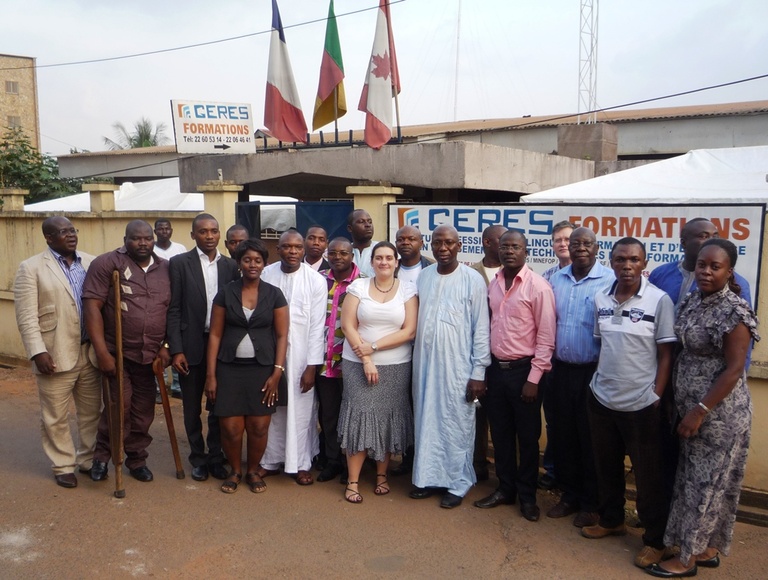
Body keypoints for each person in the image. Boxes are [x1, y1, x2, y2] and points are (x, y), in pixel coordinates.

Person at [647, 239, 759, 578]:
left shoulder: (735, 312)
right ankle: (707, 547)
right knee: (693, 481)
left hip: (718, 415)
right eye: (702, 265)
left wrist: (699, 411)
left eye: (715, 267)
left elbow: (734, 369)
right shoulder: (696, 300)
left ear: (729, 271)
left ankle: (686, 558)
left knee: (705, 485)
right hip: (689, 409)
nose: (706, 272)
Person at [581, 238, 676, 570]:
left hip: (642, 404)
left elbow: (666, 354)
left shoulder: (659, 300)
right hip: (603, 398)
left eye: (633, 259)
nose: (626, 265)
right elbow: (603, 345)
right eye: (620, 259)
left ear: (643, 263)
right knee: (606, 466)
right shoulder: (600, 298)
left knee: (650, 478)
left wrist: (656, 396)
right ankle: (611, 519)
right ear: (611, 262)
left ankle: (655, 540)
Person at [13, 217, 102, 488]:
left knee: (91, 412)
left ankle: (87, 459)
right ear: (49, 238)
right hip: (54, 353)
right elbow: (26, 316)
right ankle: (63, 464)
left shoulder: (91, 262)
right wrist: (37, 352)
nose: (70, 235)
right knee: (55, 415)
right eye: (63, 232)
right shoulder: (31, 268)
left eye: (72, 230)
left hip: (90, 353)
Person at [474, 230, 555, 522]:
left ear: (525, 251)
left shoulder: (539, 287)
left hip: (525, 372)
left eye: (516, 247)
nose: (509, 251)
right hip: (496, 370)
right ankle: (505, 489)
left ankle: (528, 497)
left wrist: (534, 379)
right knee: (501, 434)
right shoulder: (493, 284)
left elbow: (546, 339)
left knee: (528, 438)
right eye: (505, 246)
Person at [83, 220, 171, 482]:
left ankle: (136, 459)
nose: (142, 243)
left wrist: (167, 346)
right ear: (125, 240)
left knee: (143, 411)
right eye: (136, 238)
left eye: (147, 238)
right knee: (117, 408)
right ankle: (102, 457)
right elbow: (92, 307)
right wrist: (102, 353)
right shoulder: (107, 263)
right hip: (117, 353)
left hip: (150, 356)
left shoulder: (166, 268)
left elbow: (174, 311)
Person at [410, 225, 491, 509]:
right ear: (430, 247)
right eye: (437, 243)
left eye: (449, 243)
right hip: (424, 365)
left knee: (456, 423)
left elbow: (481, 329)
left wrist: (478, 373)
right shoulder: (424, 276)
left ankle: (458, 482)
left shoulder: (472, 280)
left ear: (459, 246)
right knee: (426, 420)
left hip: (458, 367)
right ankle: (427, 477)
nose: (442, 248)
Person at [204, 239, 289, 494]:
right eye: (247, 260)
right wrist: (211, 375)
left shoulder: (274, 294)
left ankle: (252, 470)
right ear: (239, 263)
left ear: (265, 264)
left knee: (259, 426)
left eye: (258, 260)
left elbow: (283, 335)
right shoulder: (226, 293)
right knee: (230, 428)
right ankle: (235, 470)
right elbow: (215, 335)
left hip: (262, 370)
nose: (252, 264)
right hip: (228, 369)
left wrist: (277, 372)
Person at [337, 242, 418, 503]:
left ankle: (382, 475)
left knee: (387, 418)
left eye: (389, 258)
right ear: (371, 262)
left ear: (397, 262)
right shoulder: (358, 286)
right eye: (379, 258)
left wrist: (372, 347)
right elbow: (348, 325)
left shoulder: (407, 289)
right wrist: (366, 359)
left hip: (396, 365)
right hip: (357, 364)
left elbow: (409, 331)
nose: (384, 262)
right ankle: (353, 481)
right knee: (359, 416)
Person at [547, 227, 614, 527]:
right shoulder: (553, 279)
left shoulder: (611, 281)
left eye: (587, 243)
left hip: (593, 372)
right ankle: (569, 495)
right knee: (563, 436)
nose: (580, 248)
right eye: (575, 244)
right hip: (559, 370)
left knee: (592, 439)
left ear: (597, 247)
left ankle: (592, 502)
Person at [166, 213, 239, 482]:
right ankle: (198, 458)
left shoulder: (230, 267)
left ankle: (216, 457)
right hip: (191, 346)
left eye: (214, 231)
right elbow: (173, 309)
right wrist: (176, 349)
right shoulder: (179, 264)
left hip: (222, 348)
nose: (209, 236)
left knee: (219, 406)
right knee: (191, 408)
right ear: (193, 235)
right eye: (203, 231)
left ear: (220, 234)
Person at [258, 230, 326, 485]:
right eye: (287, 247)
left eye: (298, 247)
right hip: (269, 351)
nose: (293, 252)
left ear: (304, 249)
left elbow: (318, 326)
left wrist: (312, 366)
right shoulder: (267, 274)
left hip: (301, 358)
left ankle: (301, 462)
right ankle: (270, 460)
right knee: (272, 407)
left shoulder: (315, 281)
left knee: (301, 409)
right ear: (278, 249)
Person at [315, 238, 361, 483]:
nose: (338, 257)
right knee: (329, 414)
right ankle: (333, 461)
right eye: (333, 253)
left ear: (352, 256)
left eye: (344, 253)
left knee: (352, 415)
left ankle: (351, 464)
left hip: (353, 361)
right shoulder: (319, 279)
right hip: (324, 360)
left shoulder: (364, 283)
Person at [390, 224, 433, 477]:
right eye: (401, 239)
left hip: (425, 349)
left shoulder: (430, 269)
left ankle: (422, 459)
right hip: (394, 349)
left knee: (423, 405)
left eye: (411, 238)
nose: (406, 242)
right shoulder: (388, 267)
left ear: (421, 242)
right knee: (402, 404)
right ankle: (405, 458)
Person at [468, 224, 506, 482]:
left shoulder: (515, 273)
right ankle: (477, 466)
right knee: (476, 414)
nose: (507, 247)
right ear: (487, 242)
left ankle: (506, 476)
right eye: (502, 241)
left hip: (506, 360)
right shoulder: (470, 274)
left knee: (504, 421)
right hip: (475, 357)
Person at [539, 220, 575, 491]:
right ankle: (553, 471)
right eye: (558, 240)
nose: (563, 244)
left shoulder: (604, 278)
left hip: (584, 366)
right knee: (554, 420)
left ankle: (576, 478)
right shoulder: (547, 277)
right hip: (551, 363)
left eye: (567, 239)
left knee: (580, 424)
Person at [348, 209, 378, 278]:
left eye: (370, 222)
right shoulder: (343, 252)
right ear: (350, 228)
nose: (368, 225)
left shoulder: (382, 250)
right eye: (361, 222)